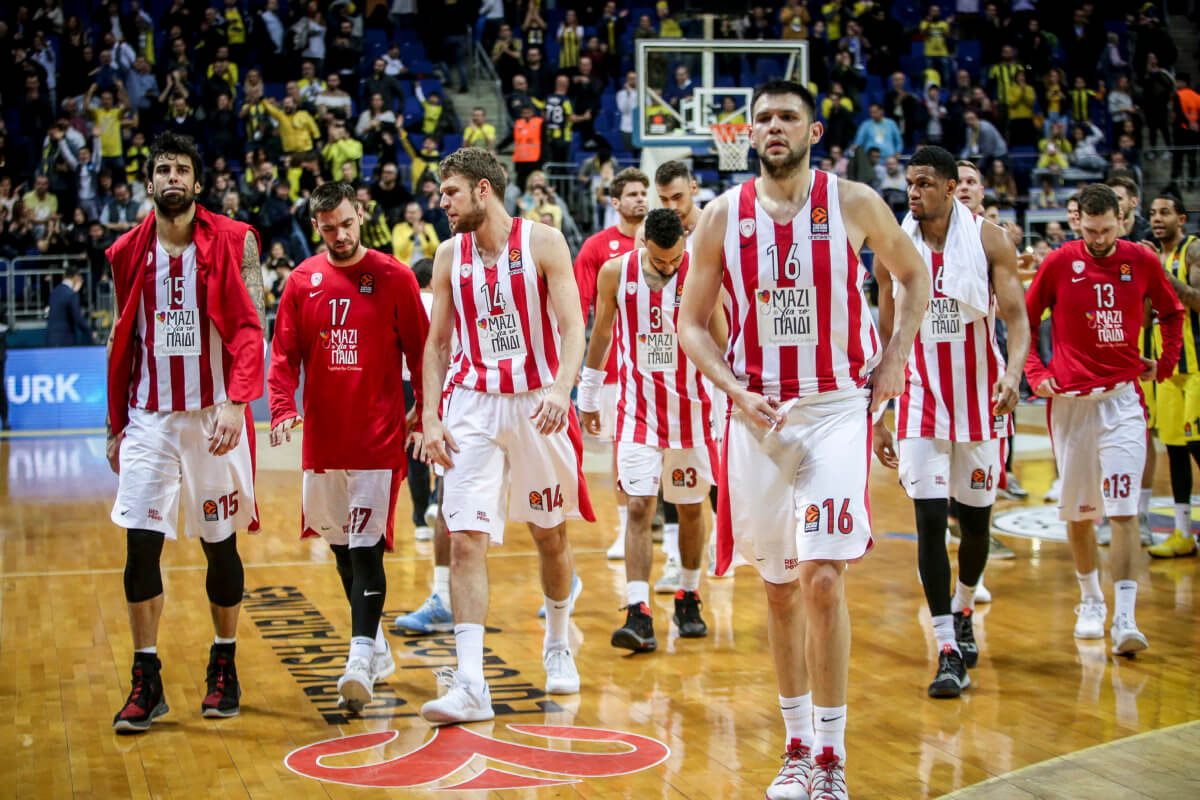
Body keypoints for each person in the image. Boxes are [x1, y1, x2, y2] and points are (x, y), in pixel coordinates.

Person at [678, 80, 931, 800]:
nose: (774, 127)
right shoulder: (723, 216)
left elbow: (913, 277)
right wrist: (732, 389)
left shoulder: (852, 202)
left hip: (835, 409)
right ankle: (794, 748)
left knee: (823, 577)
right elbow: (691, 324)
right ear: (747, 134)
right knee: (781, 587)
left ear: (814, 131)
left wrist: (895, 357)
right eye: (763, 119)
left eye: (788, 116)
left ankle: (831, 755)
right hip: (759, 416)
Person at [417, 148, 594, 724]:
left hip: (536, 403)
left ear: (484, 190)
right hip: (470, 405)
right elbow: (437, 343)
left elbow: (573, 326)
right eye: (441, 193)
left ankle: (559, 639)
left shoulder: (543, 242)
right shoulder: (447, 256)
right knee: (464, 535)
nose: (441, 202)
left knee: (549, 534)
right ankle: (471, 682)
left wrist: (561, 389)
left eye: (451, 192)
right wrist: (431, 416)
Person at [105, 132, 266, 732]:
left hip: (212, 415)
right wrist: (115, 423)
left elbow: (252, 325)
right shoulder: (125, 251)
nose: (173, 176)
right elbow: (122, 338)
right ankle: (146, 679)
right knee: (139, 545)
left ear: (198, 184)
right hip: (150, 417)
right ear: (150, 184)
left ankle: (223, 664)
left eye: (183, 168)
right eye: (162, 167)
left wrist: (234, 399)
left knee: (218, 544)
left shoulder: (234, 239)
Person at [871, 146, 1029, 698]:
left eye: (921, 184)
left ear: (945, 186)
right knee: (930, 524)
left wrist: (1013, 373)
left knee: (977, 527)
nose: (911, 193)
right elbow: (886, 337)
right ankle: (945, 648)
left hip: (982, 401)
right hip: (920, 403)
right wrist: (880, 413)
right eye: (907, 184)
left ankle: (964, 607)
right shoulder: (891, 248)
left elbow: (1017, 317)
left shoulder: (988, 240)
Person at [267, 181, 429, 712]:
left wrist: (426, 413)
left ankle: (358, 656)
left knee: (365, 548)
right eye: (328, 227)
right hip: (323, 440)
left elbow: (424, 351)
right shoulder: (301, 281)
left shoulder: (394, 276)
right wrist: (281, 406)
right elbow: (283, 352)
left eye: (346, 224)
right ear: (317, 225)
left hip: (377, 440)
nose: (339, 235)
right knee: (340, 548)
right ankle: (377, 646)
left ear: (360, 215)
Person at [1024, 183, 1183, 655]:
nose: (1097, 238)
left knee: (1123, 510)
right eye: (1089, 229)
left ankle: (1126, 618)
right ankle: (1090, 599)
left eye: (1106, 229)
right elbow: (1024, 321)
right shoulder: (1057, 262)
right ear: (1078, 223)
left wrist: (1166, 362)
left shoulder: (1142, 260)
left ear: (1122, 220)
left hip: (1123, 401)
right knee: (1079, 514)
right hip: (1071, 404)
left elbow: (1172, 313)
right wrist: (1036, 372)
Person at [579, 208, 725, 652]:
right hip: (637, 412)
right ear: (644, 244)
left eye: (675, 259)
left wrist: (727, 398)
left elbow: (720, 339)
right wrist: (587, 394)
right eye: (660, 261)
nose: (668, 267)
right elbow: (601, 334)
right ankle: (639, 611)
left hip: (694, 412)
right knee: (640, 507)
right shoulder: (614, 272)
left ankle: (688, 593)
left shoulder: (700, 269)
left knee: (691, 508)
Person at [573, 168, 648, 559]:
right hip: (617, 372)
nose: (641, 199)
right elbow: (577, 307)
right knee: (624, 449)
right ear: (615, 202)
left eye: (643, 193)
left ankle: (668, 527)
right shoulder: (597, 248)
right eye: (632, 194)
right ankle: (625, 528)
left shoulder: (664, 242)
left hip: (663, 368)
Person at [1145, 194, 1200, 558]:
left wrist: (1163, 277)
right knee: (1175, 452)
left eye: (1164, 212)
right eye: (1151, 213)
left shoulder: (1193, 251)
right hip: (1166, 368)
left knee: (1198, 447)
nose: (1157, 218)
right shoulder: (1150, 255)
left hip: (1196, 368)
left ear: (1181, 218)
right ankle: (1183, 534)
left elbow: (1198, 299)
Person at [46, 264, 94, 346]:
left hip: (51, 338)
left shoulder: (54, 291)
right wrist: (89, 332)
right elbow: (77, 318)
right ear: (76, 277)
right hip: (65, 340)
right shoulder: (72, 294)